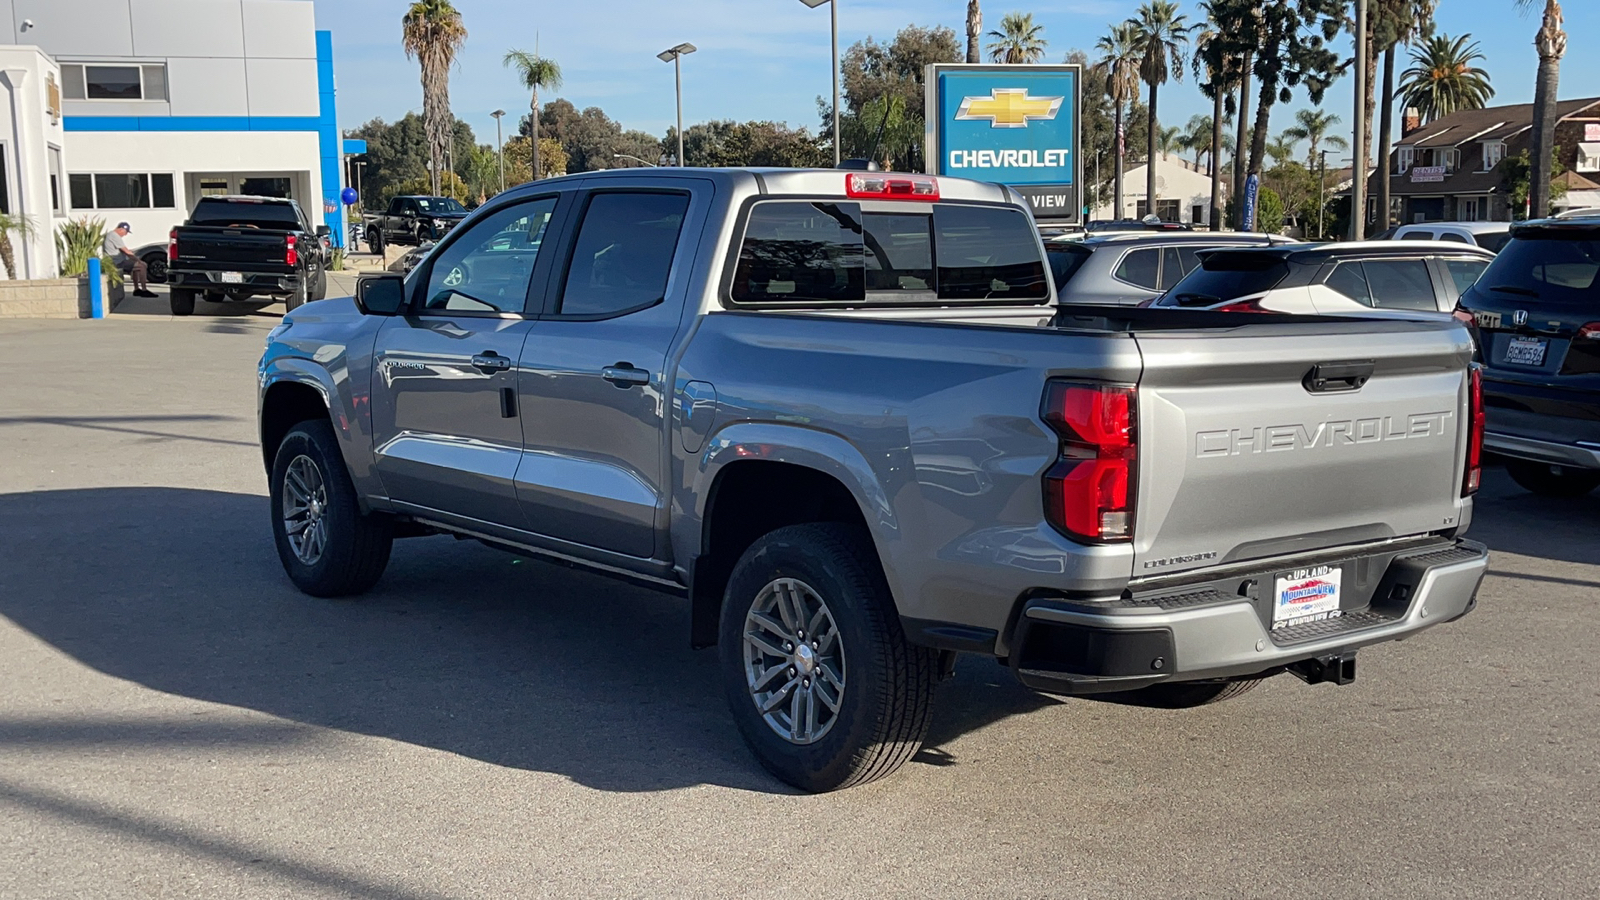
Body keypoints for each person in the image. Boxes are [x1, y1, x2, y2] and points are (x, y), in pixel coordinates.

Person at [103, 223, 158, 298]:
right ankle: (144, 290)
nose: (125, 235)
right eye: (126, 232)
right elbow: (126, 251)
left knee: (135, 266)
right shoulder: (114, 236)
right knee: (142, 265)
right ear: (121, 229)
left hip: (117, 260)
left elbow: (122, 250)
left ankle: (137, 289)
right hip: (117, 262)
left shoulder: (111, 235)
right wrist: (139, 261)